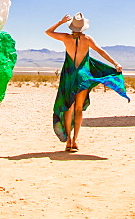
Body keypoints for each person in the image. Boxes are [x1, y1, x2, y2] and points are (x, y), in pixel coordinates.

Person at [45, 13, 129, 152]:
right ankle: (75, 140)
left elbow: (48, 32)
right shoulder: (87, 39)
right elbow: (100, 51)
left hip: (69, 76)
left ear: (71, 26)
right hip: (83, 76)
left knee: (68, 108)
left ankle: (68, 141)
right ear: (83, 28)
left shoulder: (66, 37)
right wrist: (115, 63)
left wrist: (60, 22)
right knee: (78, 109)